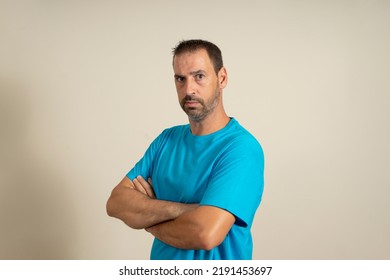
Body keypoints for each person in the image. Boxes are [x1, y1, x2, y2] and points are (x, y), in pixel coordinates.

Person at [106, 39, 264, 260]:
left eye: (199, 76)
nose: (188, 89)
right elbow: (116, 203)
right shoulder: (166, 140)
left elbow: (205, 234)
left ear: (222, 78)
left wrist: (149, 219)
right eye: (180, 79)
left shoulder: (241, 149)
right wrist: (186, 210)